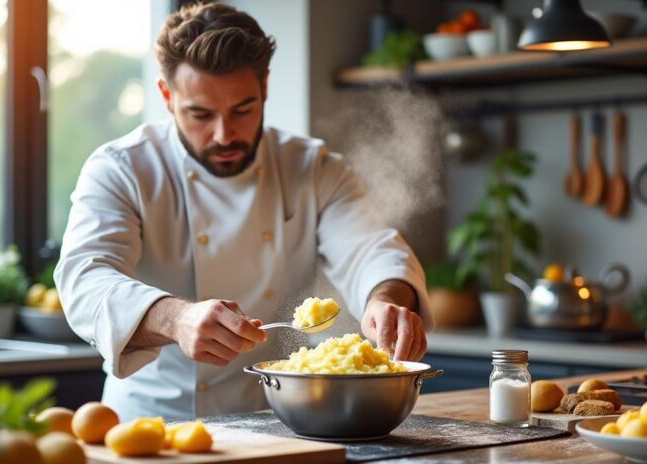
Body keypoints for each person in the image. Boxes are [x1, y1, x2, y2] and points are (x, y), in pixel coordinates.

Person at [55, 2, 432, 421]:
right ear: (167, 96)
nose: (224, 134)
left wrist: (385, 301)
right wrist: (176, 318)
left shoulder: (313, 168)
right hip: (149, 424)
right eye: (200, 114)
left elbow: (370, 250)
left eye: (242, 110)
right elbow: (86, 279)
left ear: (264, 87)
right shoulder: (123, 168)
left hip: (273, 420)